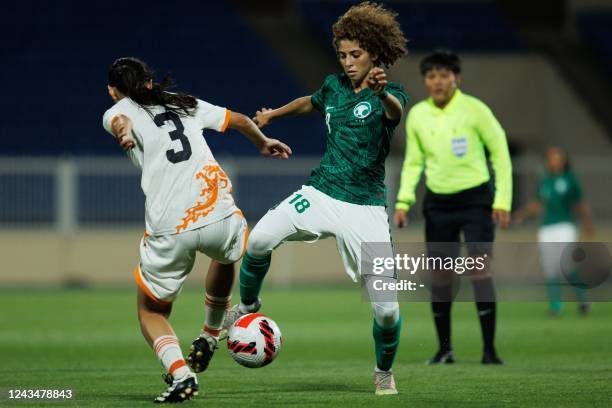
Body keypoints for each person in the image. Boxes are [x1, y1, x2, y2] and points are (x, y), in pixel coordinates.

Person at [222, 2, 409, 395]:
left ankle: (383, 372)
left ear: (374, 52)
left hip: (366, 208)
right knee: (257, 241)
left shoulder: (389, 93)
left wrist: (382, 94)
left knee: (388, 311)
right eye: (342, 55)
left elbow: (395, 114)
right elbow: (311, 101)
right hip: (321, 192)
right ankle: (247, 307)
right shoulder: (334, 86)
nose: (348, 62)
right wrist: (274, 114)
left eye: (355, 54)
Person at [102, 57, 291, 403]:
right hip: (218, 212)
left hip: (170, 226)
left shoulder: (118, 108)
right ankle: (211, 331)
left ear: (113, 90)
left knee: (151, 311)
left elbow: (120, 120)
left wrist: (126, 133)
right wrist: (263, 143)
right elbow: (241, 120)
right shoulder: (183, 102)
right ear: (148, 82)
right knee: (227, 253)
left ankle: (181, 375)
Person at [394, 50, 512, 365]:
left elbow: (500, 152)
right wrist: (404, 200)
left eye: (444, 75)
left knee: (478, 270)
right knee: (442, 277)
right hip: (438, 203)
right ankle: (444, 350)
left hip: (476, 200)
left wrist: (502, 200)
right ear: (425, 80)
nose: (437, 81)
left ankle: (489, 350)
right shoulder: (418, 114)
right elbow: (414, 161)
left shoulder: (476, 110)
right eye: (431, 76)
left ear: (456, 78)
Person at [513, 146, 594, 315]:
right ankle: (556, 306)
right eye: (549, 157)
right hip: (547, 228)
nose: (552, 160)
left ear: (563, 160)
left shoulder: (570, 179)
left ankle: (583, 299)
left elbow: (580, 203)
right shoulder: (545, 181)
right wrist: (520, 215)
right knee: (550, 267)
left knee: (566, 264)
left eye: (555, 157)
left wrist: (588, 223)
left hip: (565, 226)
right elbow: (538, 203)